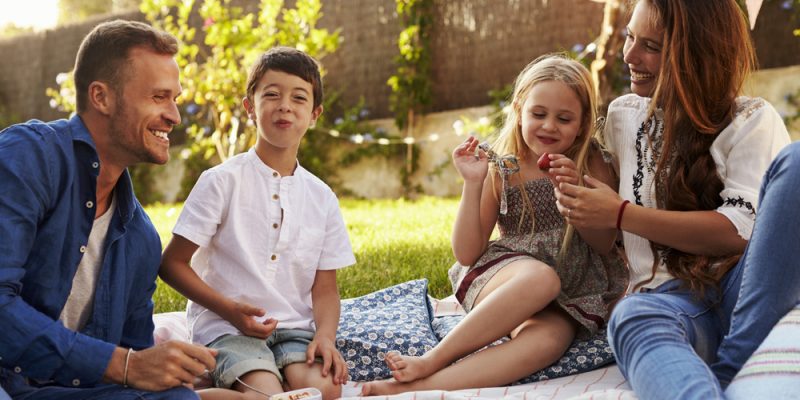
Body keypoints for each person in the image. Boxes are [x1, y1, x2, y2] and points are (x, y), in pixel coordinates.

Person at [553, 1, 795, 398]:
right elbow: (608, 239)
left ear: (697, 55)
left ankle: (734, 360)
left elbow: (740, 232)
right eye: (630, 36)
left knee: (797, 164)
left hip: (745, 291)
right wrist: (583, 206)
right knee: (632, 315)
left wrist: (621, 213)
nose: (630, 54)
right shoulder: (623, 117)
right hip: (668, 304)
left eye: (651, 45)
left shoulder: (751, 120)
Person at [362, 54, 628, 395]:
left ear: (583, 121)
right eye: (538, 114)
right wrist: (472, 184)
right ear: (518, 110)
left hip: (571, 291)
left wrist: (575, 196)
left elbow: (604, 243)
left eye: (564, 118)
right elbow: (467, 251)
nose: (549, 126)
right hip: (507, 277)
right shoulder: (504, 167)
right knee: (541, 279)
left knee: (550, 341)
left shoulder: (591, 163)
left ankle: (414, 388)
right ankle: (433, 359)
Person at [0, 20, 217, 399]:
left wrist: (159, 371)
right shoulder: (30, 158)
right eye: (158, 97)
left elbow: (135, 368)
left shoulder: (140, 237)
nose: (175, 116)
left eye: (175, 99)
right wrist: (126, 366)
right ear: (101, 97)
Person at [159, 46, 355, 400]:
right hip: (226, 327)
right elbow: (171, 264)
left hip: (294, 329)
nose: (285, 105)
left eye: (299, 97)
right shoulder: (221, 181)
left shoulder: (322, 196)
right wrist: (230, 311)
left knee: (325, 392)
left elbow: (325, 289)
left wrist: (325, 336)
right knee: (264, 396)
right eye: (272, 95)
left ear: (314, 114)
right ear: (250, 107)